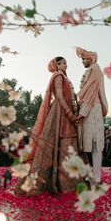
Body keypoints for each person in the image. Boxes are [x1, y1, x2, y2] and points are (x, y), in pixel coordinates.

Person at [16, 56, 80, 195]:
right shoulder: (58, 76)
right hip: (59, 112)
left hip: (64, 112)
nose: (66, 65)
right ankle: (62, 184)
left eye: (66, 62)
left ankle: (68, 182)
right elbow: (60, 97)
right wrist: (70, 115)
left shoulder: (64, 77)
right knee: (55, 145)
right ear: (57, 65)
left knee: (67, 143)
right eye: (63, 63)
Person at [76, 47, 108, 183]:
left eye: (84, 59)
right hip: (92, 109)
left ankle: (96, 178)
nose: (82, 61)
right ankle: (94, 177)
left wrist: (82, 112)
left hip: (92, 110)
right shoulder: (93, 69)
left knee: (95, 144)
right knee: (92, 145)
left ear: (91, 59)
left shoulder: (94, 69)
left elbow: (89, 93)